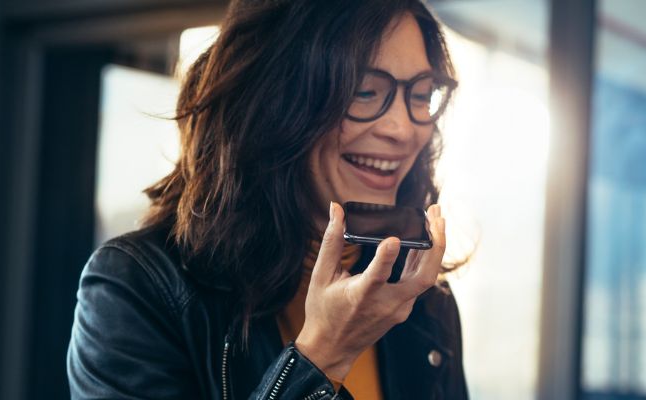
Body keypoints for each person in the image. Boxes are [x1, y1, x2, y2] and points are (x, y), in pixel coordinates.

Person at [67, 0, 467, 398]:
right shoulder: (137, 290)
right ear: (274, 100)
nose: (402, 129)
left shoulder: (424, 304)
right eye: (364, 91)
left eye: (421, 95)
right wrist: (322, 356)